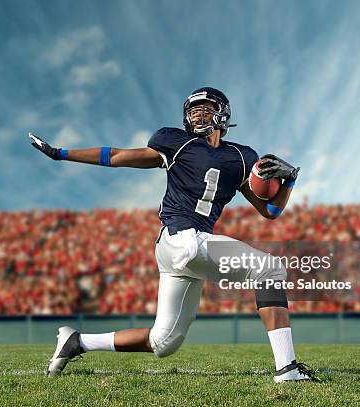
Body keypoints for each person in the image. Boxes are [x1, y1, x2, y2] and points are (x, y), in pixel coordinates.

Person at [30, 87, 319, 382]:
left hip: (187, 249)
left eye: (206, 108)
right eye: (193, 110)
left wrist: (289, 181)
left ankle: (77, 342)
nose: (197, 114)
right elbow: (117, 155)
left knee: (164, 342)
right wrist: (62, 154)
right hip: (181, 238)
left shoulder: (242, 157)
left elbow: (270, 210)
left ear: (223, 114)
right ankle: (288, 369)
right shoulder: (176, 143)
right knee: (268, 268)